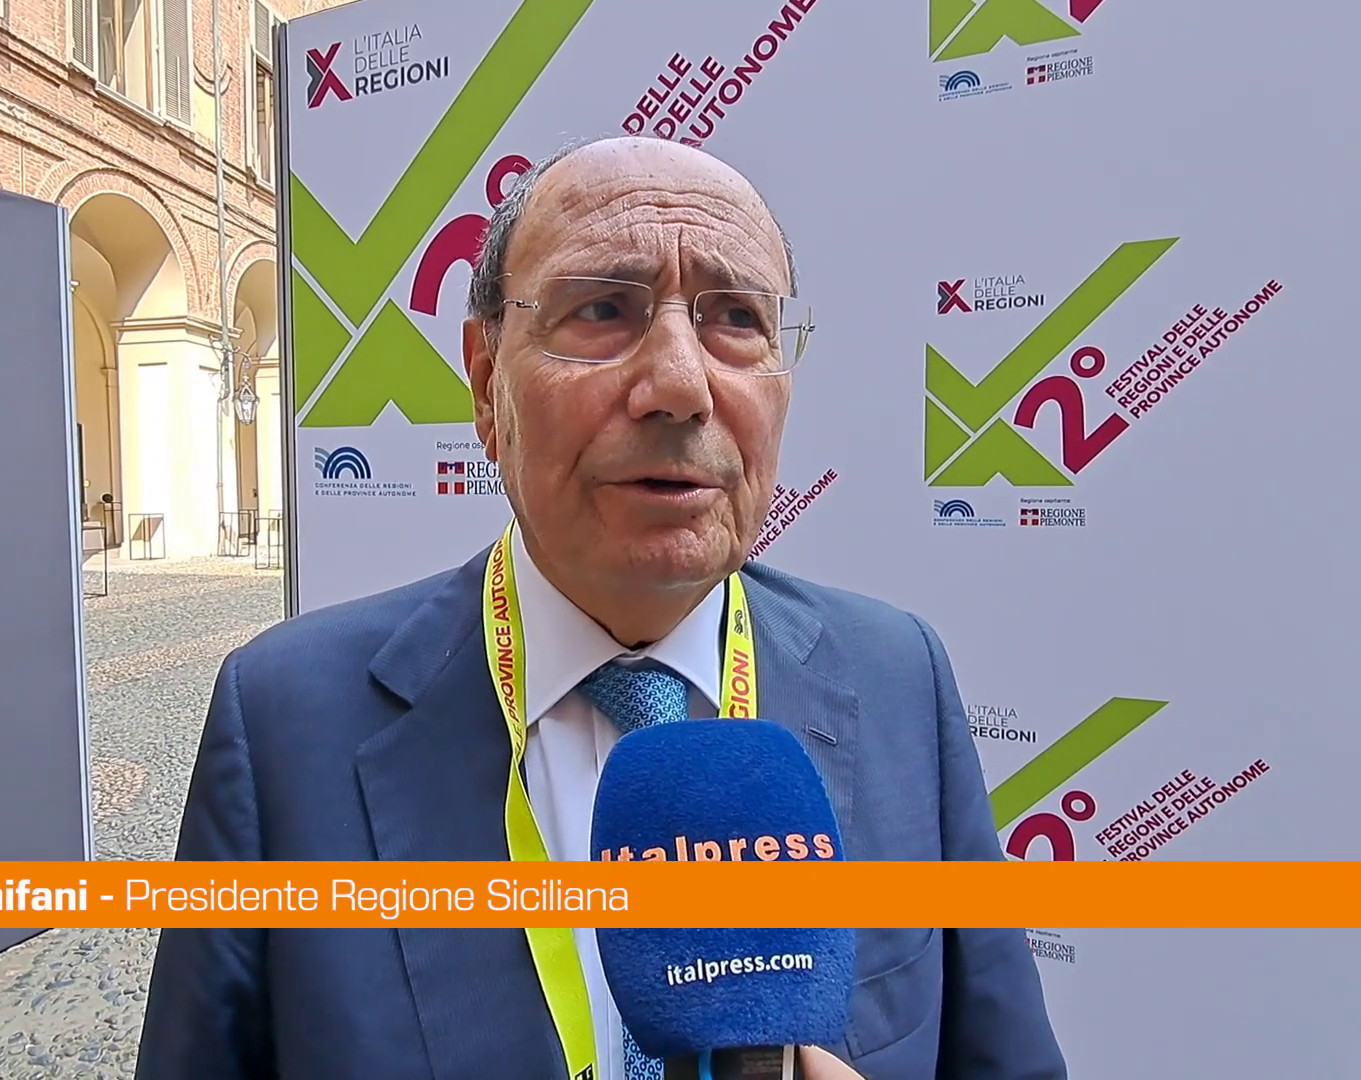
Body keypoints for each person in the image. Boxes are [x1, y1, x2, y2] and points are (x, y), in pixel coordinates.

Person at [133, 136, 1068, 1080]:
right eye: (602, 310)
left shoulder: (899, 677)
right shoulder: (286, 723)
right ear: (486, 382)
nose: (681, 386)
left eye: (736, 318)